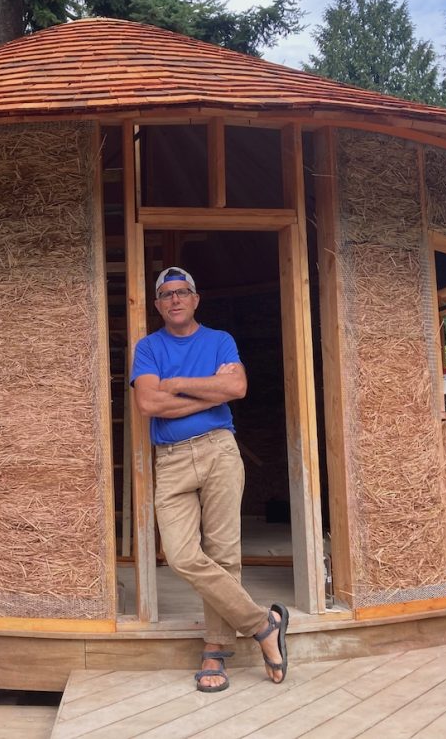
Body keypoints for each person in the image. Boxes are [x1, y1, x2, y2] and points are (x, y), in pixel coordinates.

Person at [131, 266, 289, 693]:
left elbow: (236, 389)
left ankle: (215, 649)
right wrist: (208, 391)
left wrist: (178, 385)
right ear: (159, 304)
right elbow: (148, 402)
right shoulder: (147, 348)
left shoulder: (220, 340)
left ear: (196, 299)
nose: (175, 300)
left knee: (223, 553)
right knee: (181, 555)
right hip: (172, 459)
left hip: (219, 450)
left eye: (183, 292)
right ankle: (264, 624)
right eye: (166, 295)